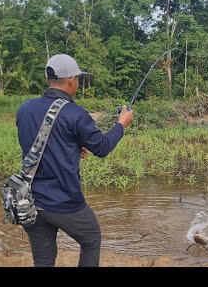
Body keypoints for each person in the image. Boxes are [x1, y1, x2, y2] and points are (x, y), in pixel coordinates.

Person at [16, 54, 133, 267]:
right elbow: (102, 147)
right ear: (71, 80)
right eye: (78, 79)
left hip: (31, 200)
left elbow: (33, 143)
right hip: (64, 203)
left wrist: (70, 148)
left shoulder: (25, 108)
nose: (78, 84)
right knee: (91, 240)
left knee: (43, 259)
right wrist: (121, 124)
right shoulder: (75, 113)